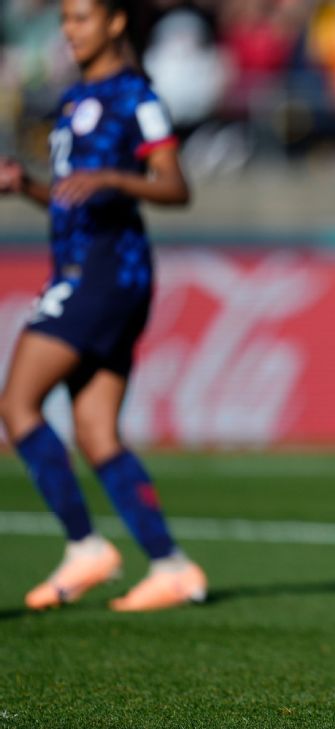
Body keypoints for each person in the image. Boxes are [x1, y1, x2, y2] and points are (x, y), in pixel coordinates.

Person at [0, 0, 206, 611]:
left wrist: (116, 180)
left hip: (105, 274)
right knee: (94, 432)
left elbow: (175, 186)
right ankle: (172, 566)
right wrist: (28, 186)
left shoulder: (134, 95)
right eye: (65, 20)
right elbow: (72, 195)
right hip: (82, 269)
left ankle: (84, 544)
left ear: (116, 22)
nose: (70, 31)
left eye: (82, 18)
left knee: (17, 404)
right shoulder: (72, 100)